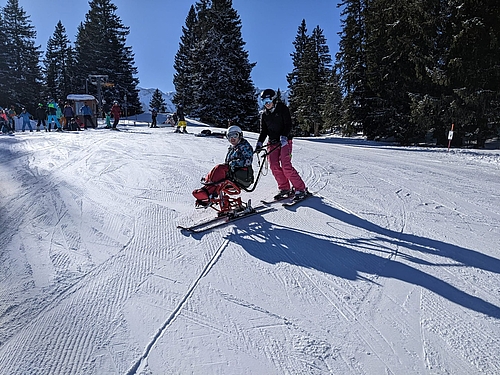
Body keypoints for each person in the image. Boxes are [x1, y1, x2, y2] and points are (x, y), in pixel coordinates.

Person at [256, 89, 307, 201]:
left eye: (268, 100)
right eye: (264, 101)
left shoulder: (282, 109)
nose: (267, 103)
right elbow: (263, 131)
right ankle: (284, 188)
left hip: (284, 141)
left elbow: (288, 124)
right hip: (273, 143)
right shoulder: (264, 115)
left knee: (286, 165)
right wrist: (259, 143)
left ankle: (301, 188)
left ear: (274, 99)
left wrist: (284, 136)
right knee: (274, 166)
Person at [192, 125, 254, 208]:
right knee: (217, 170)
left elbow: (247, 161)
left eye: (235, 135)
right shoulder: (233, 148)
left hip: (244, 175)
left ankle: (209, 193)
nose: (232, 138)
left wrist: (232, 164)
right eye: (229, 136)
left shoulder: (245, 147)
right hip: (234, 174)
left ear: (240, 135)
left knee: (220, 168)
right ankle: (207, 189)